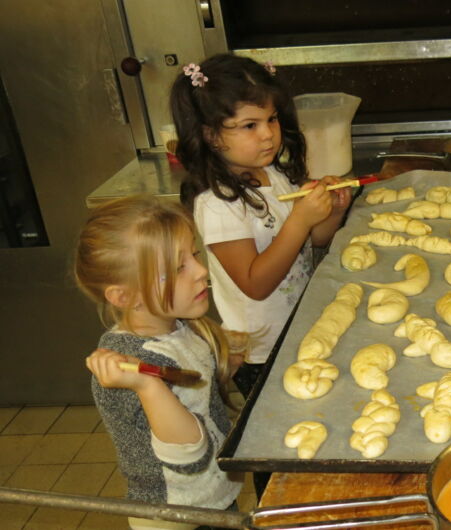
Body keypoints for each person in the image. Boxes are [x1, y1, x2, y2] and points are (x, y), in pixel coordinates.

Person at [170, 53, 352, 401]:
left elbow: (314, 241)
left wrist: (329, 213)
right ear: (210, 135)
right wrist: (300, 219)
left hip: (300, 326)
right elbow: (256, 284)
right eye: (249, 125)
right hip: (261, 349)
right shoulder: (217, 204)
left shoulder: (275, 175)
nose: (268, 134)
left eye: (272, 119)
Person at [76, 196, 243, 530]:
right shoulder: (134, 369)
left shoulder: (177, 324)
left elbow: (195, 390)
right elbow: (188, 455)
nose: (201, 272)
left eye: (193, 255)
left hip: (212, 495)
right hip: (176, 514)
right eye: (178, 268)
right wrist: (148, 386)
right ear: (125, 297)